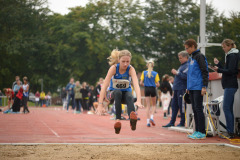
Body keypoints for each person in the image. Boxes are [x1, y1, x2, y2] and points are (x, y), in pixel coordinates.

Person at [96, 49, 143, 134]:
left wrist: (139, 101)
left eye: (128, 61)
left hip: (125, 96)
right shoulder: (113, 68)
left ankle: (132, 120)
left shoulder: (131, 69)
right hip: (113, 94)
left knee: (129, 95)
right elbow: (104, 86)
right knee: (118, 92)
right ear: (119, 60)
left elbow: (136, 85)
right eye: (123, 61)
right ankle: (118, 120)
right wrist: (100, 104)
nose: (125, 64)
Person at [212, 39, 239, 138]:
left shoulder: (232, 55)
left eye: (224, 47)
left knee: (226, 108)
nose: (223, 49)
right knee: (228, 108)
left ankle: (230, 132)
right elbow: (229, 69)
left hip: (230, 85)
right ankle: (230, 131)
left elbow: (231, 70)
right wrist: (219, 65)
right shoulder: (232, 55)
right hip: (230, 84)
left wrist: (218, 69)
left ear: (229, 46)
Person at [184, 39, 208, 140]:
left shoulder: (199, 56)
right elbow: (190, 74)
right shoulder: (191, 58)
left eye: (187, 48)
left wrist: (204, 86)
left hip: (198, 87)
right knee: (194, 109)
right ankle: (197, 131)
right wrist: (188, 87)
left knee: (198, 109)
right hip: (192, 87)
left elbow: (204, 71)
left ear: (193, 46)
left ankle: (201, 132)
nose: (186, 50)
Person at [162, 51, 189, 127]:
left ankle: (182, 122)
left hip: (182, 88)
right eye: (179, 58)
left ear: (186, 57)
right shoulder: (182, 66)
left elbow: (185, 76)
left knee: (182, 106)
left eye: (181, 58)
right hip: (176, 89)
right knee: (174, 105)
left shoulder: (187, 65)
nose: (179, 59)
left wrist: (177, 73)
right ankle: (172, 122)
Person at [140, 61, 160, 127]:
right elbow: (158, 84)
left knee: (148, 105)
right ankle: (152, 118)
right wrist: (154, 85)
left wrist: (145, 85)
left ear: (147, 66)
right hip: (152, 89)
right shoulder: (155, 73)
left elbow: (140, 83)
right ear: (153, 66)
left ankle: (148, 122)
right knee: (154, 105)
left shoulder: (144, 72)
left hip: (146, 88)